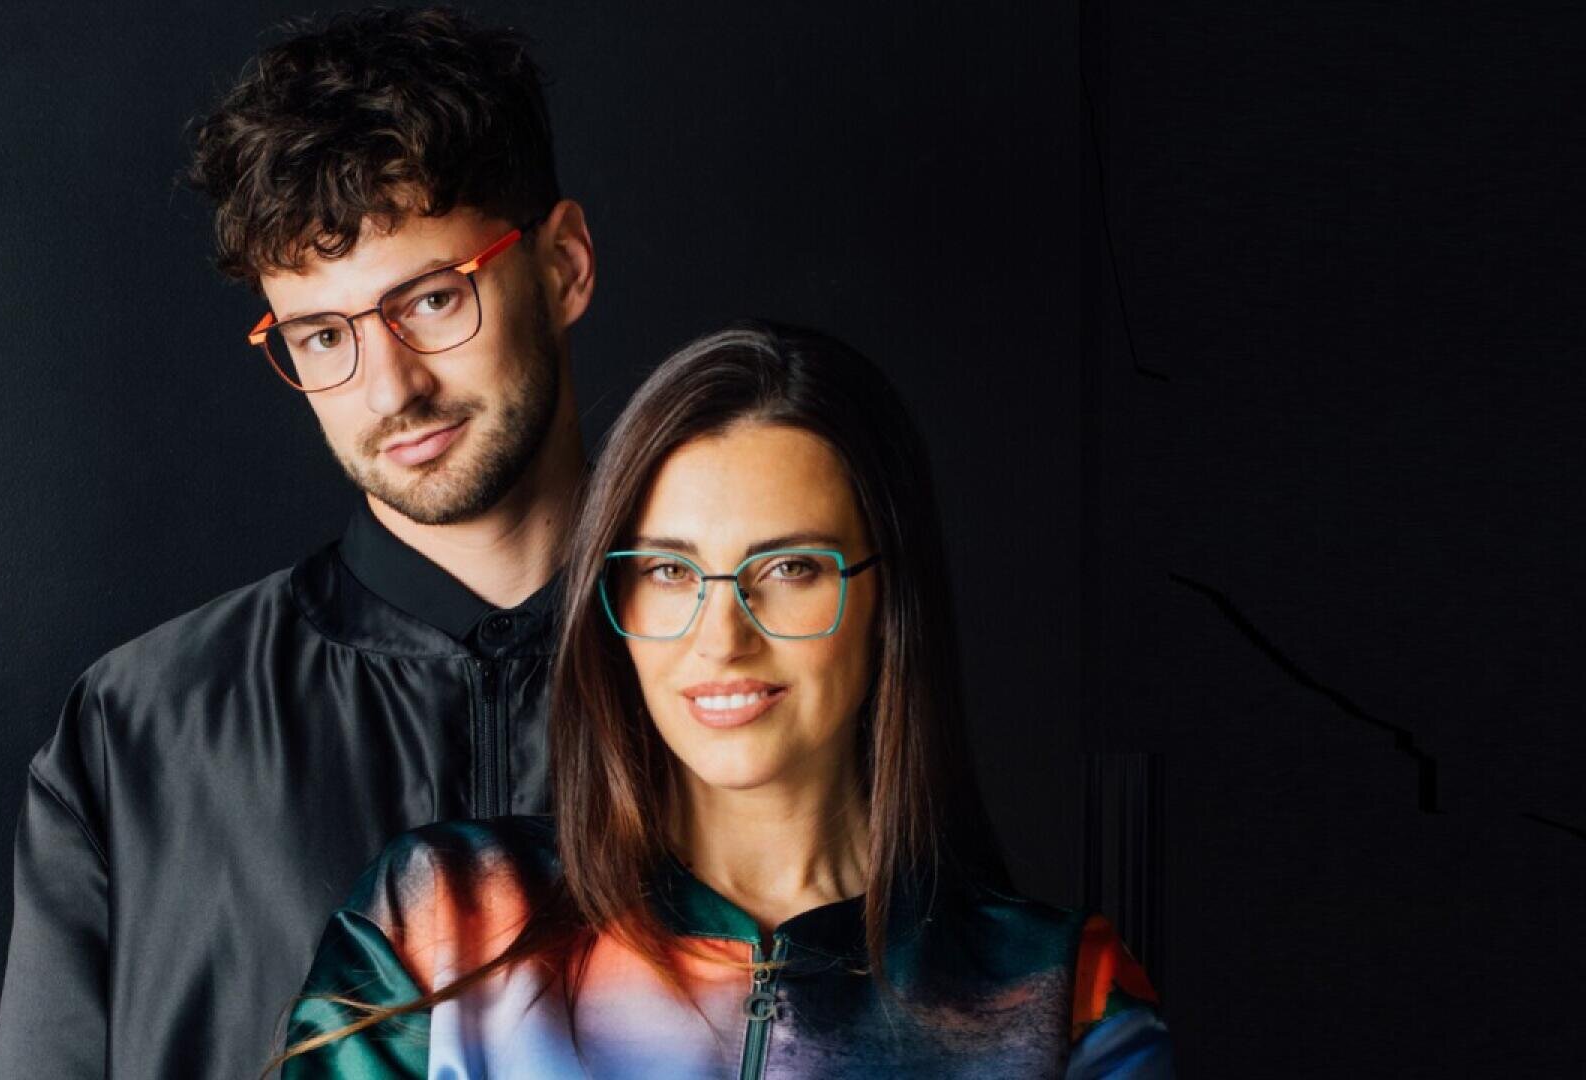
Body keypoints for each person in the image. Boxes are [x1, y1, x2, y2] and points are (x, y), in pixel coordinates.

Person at [276, 321, 1175, 1078]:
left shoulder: (1060, 999)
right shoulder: (444, 919)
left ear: (887, 601)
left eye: (787, 569)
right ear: (613, 603)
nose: (722, 637)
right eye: (669, 571)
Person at [0, 9, 596, 1078]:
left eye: (433, 299)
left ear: (565, 267)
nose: (391, 387)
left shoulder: (764, 671)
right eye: (325, 336)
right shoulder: (140, 734)